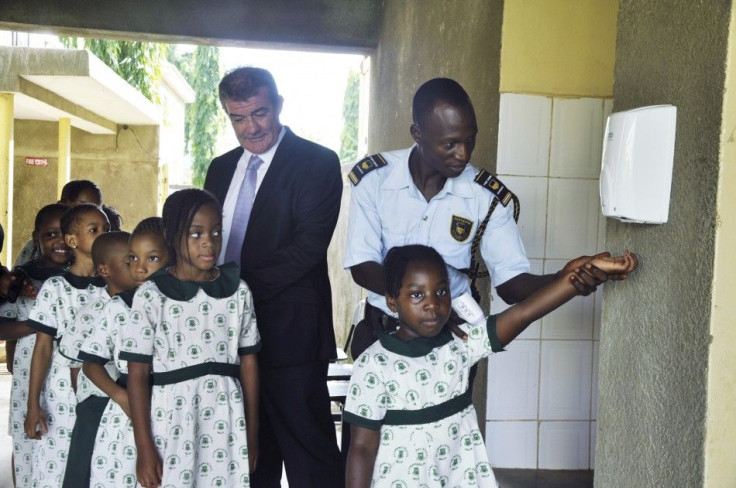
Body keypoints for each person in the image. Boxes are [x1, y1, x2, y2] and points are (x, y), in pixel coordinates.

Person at [344, 78, 631, 358]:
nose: (464, 154)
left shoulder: (486, 197)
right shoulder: (375, 180)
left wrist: (564, 278)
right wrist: (429, 305)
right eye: (451, 144)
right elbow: (362, 266)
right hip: (380, 338)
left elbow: (511, 285)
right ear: (417, 134)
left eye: (470, 140)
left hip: (449, 343)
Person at [344, 245, 638, 487]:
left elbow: (524, 313)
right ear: (393, 302)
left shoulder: (459, 344)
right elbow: (361, 448)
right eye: (417, 294)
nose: (432, 304)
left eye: (441, 292)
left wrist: (583, 275)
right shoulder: (374, 364)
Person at [204, 66, 344, 487]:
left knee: (310, 458)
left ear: (279, 105)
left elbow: (306, 249)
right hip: (227, 338)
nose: (250, 128)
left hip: (292, 338)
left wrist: (232, 291)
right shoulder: (220, 167)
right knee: (248, 455)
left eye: (259, 113)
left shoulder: (317, 163)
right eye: (237, 118)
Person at [120, 189, 260, 488]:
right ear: (172, 235)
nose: (209, 241)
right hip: (171, 419)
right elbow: (138, 375)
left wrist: (252, 434)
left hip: (226, 417)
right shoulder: (151, 295)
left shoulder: (238, 291)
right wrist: (145, 448)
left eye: (216, 231)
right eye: (196, 234)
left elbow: (248, 364)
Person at [24, 203, 110, 487]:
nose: (103, 235)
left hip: (101, 387)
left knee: (95, 461)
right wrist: (33, 404)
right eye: (94, 230)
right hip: (61, 395)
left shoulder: (112, 287)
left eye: (106, 230)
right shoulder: (56, 288)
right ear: (72, 240)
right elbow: (43, 348)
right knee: (58, 461)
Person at [79, 216, 169, 488]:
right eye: (132, 258)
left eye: (152, 259)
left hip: (170, 408)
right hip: (126, 412)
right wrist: (120, 396)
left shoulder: (180, 305)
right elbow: (90, 363)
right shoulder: (118, 307)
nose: (139, 268)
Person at [0, 204, 70, 487]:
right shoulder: (20, 278)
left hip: (66, 385)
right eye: (51, 233)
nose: (60, 240)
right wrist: (39, 325)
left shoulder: (84, 278)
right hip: (30, 380)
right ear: (36, 237)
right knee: (29, 451)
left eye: (65, 233)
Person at [61, 231, 137, 488]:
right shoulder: (91, 310)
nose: (138, 268)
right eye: (130, 262)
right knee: (85, 468)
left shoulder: (144, 305)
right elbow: (76, 366)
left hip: (128, 404)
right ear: (104, 269)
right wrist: (84, 404)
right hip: (98, 402)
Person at [14, 179, 104, 267]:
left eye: (96, 209)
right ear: (62, 205)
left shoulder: (93, 245)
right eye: (82, 208)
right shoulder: (37, 246)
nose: (91, 215)